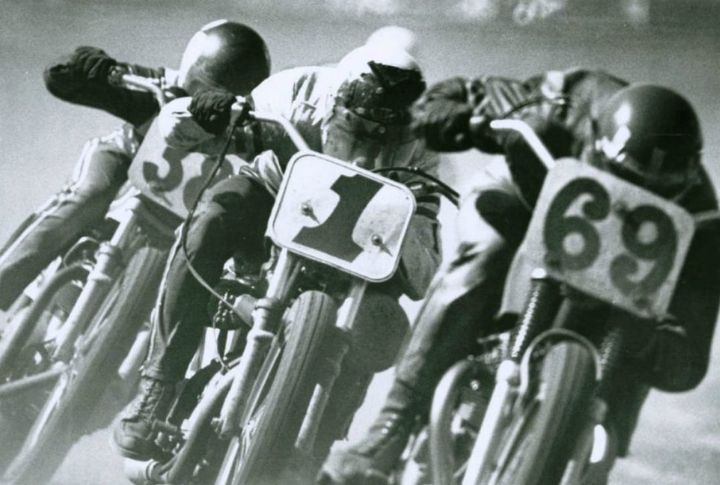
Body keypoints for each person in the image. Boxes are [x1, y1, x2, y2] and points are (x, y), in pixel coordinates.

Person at [318, 69, 720, 483]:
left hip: (622, 291)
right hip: (526, 202)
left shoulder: (703, 224)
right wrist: (460, 118)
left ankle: (586, 457)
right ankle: (390, 429)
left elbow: (688, 360)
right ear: (596, 141)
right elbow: (462, 94)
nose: (630, 196)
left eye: (655, 190)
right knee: (485, 254)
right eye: (625, 177)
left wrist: (644, 336)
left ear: (687, 180)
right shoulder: (567, 102)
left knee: (634, 359)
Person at [112, 42, 443, 463]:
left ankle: (317, 444)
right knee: (211, 218)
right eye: (357, 127)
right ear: (335, 102)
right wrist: (203, 113)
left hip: (361, 237)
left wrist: (401, 232)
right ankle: (158, 385)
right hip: (274, 198)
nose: (366, 152)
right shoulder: (294, 93)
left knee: (381, 318)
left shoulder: (425, 148)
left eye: (388, 137)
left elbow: (423, 271)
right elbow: (182, 134)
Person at [0, 19, 271, 312]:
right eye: (201, 86)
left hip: (180, 211)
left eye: (224, 95)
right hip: (124, 157)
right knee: (90, 194)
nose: (205, 100)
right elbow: (58, 77)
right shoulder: (160, 85)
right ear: (190, 69)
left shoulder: (250, 128)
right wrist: (89, 66)